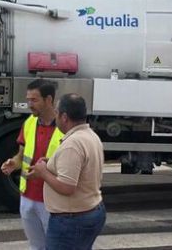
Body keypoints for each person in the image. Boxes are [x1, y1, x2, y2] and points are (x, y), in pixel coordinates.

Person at [28, 93, 106, 250]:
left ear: (64, 117)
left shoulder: (73, 144)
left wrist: (43, 172)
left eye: (56, 112)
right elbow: (81, 168)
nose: (55, 116)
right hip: (90, 210)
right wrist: (52, 165)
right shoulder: (90, 136)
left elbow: (67, 187)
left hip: (71, 220)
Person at [0, 79, 64, 250]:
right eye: (28, 99)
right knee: (35, 246)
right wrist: (14, 162)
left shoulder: (64, 128)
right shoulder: (29, 123)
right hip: (27, 197)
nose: (29, 104)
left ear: (49, 100)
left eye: (34, 100)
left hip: (51, 199)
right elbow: (21, 156)